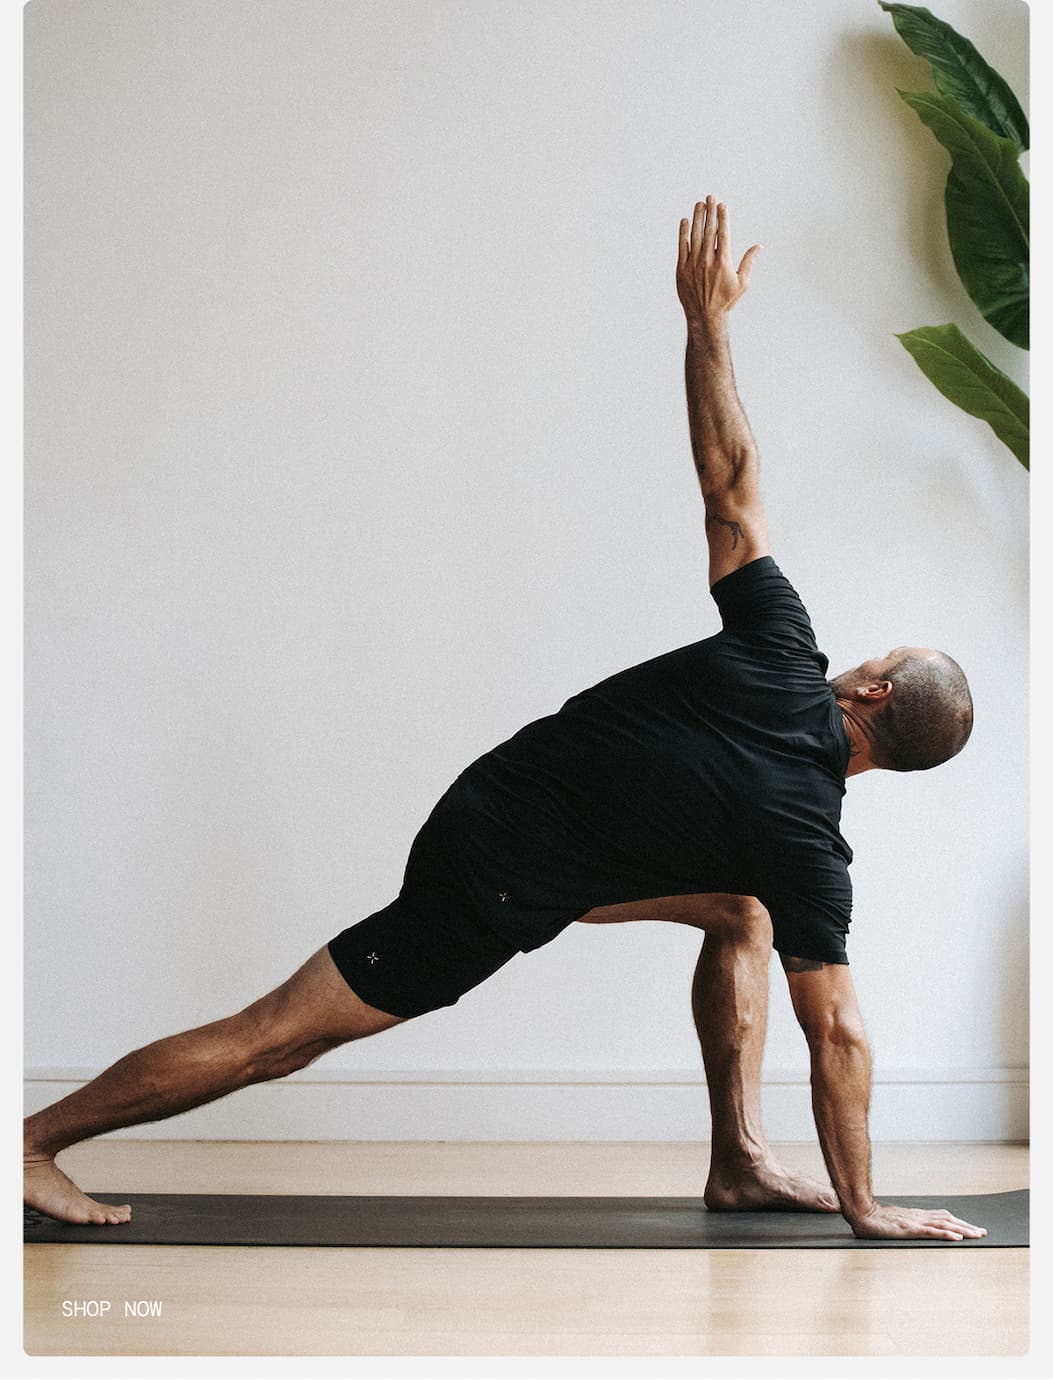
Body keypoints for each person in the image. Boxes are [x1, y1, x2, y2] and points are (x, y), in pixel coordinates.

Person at [24, 197, 985, 1241]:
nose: (864, 656)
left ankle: (741, 1162)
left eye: (878, 658)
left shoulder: (781, 658)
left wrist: (706, 324)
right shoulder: (808, 843)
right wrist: (866, 1205)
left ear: (873, 693)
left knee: (741, 912)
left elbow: (730, 485)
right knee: (280, 1039)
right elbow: (838, 1030)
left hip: (522, 817)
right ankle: (30, 1143)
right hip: (494, 869)